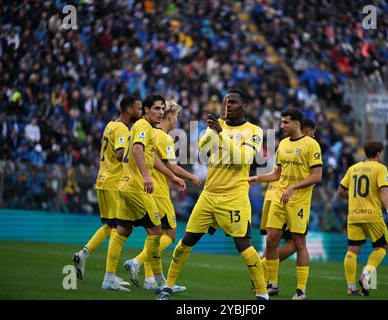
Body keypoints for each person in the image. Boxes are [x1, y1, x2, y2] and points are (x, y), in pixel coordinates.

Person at [157, 89, 268, 300]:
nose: (229, 105)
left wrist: (221, 132)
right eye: (227, 102)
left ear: (245, 105)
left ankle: (262, 293)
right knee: (186, 241)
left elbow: (243, 159)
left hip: (234, 196)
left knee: (243, 245)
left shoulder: (254, 131)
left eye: (234, 102)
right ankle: (168, 287)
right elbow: (202, 148)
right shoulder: (219, 124)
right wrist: (217, 125)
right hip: (209, 194)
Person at [101, 94, 186, 291]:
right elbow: (138, 150)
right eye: (156, 108)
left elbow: (150, 156)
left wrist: (171, 176)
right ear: (146, 110)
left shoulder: (142, 127)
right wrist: (147, 177)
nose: (160, 112)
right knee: (156, 231)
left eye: (162, 109)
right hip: (136, 188)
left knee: (123, 230)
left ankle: (109, 278)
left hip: (124, 185)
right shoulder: (143, 126)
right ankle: (158, 282)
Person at [124, 100, 201, 293]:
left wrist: (173, 177)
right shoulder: (164, 138)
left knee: (153, 233)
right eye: (176, 116)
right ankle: (137, 261)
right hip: (158, 191)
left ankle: (151, 279)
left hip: (146, 187)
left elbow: (153, 159)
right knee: (169, 234)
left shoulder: (151, 132)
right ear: (169, 116)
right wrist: (191, 176)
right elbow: (171, 165)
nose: (176, 121)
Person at [249, 108, 323, 300]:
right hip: (279, 198)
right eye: (281, 122)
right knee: (271, 239)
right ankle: (272, 284)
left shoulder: (311, 145)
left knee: (299, 243)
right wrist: (258, 178)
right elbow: (277, 174)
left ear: (297, 123)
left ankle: (301, 289)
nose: (282, 126)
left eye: (285, 122)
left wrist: (293, 188)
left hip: (298, 201)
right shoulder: (282, 144)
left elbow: (317, 175)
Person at [73, 95, 142, 285]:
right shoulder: (121, 128)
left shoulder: (110, 125)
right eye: (138, 108)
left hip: (103, 180)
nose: (140, 111)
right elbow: (120, 154)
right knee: (120, 228)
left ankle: (84, 253)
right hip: (114, 182)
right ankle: (109, 276)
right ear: (129, 110)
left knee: (111, 225)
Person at [337, 141, 388, 296]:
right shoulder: (380, 168)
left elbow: (340, 191)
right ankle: (366, 275)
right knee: (382, 246)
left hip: (354, 215)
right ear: (379, 153)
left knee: (352, 251)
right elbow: (384, 191)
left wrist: (353, 199)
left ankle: (351, 287)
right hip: (372, 215)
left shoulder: (353, 168)